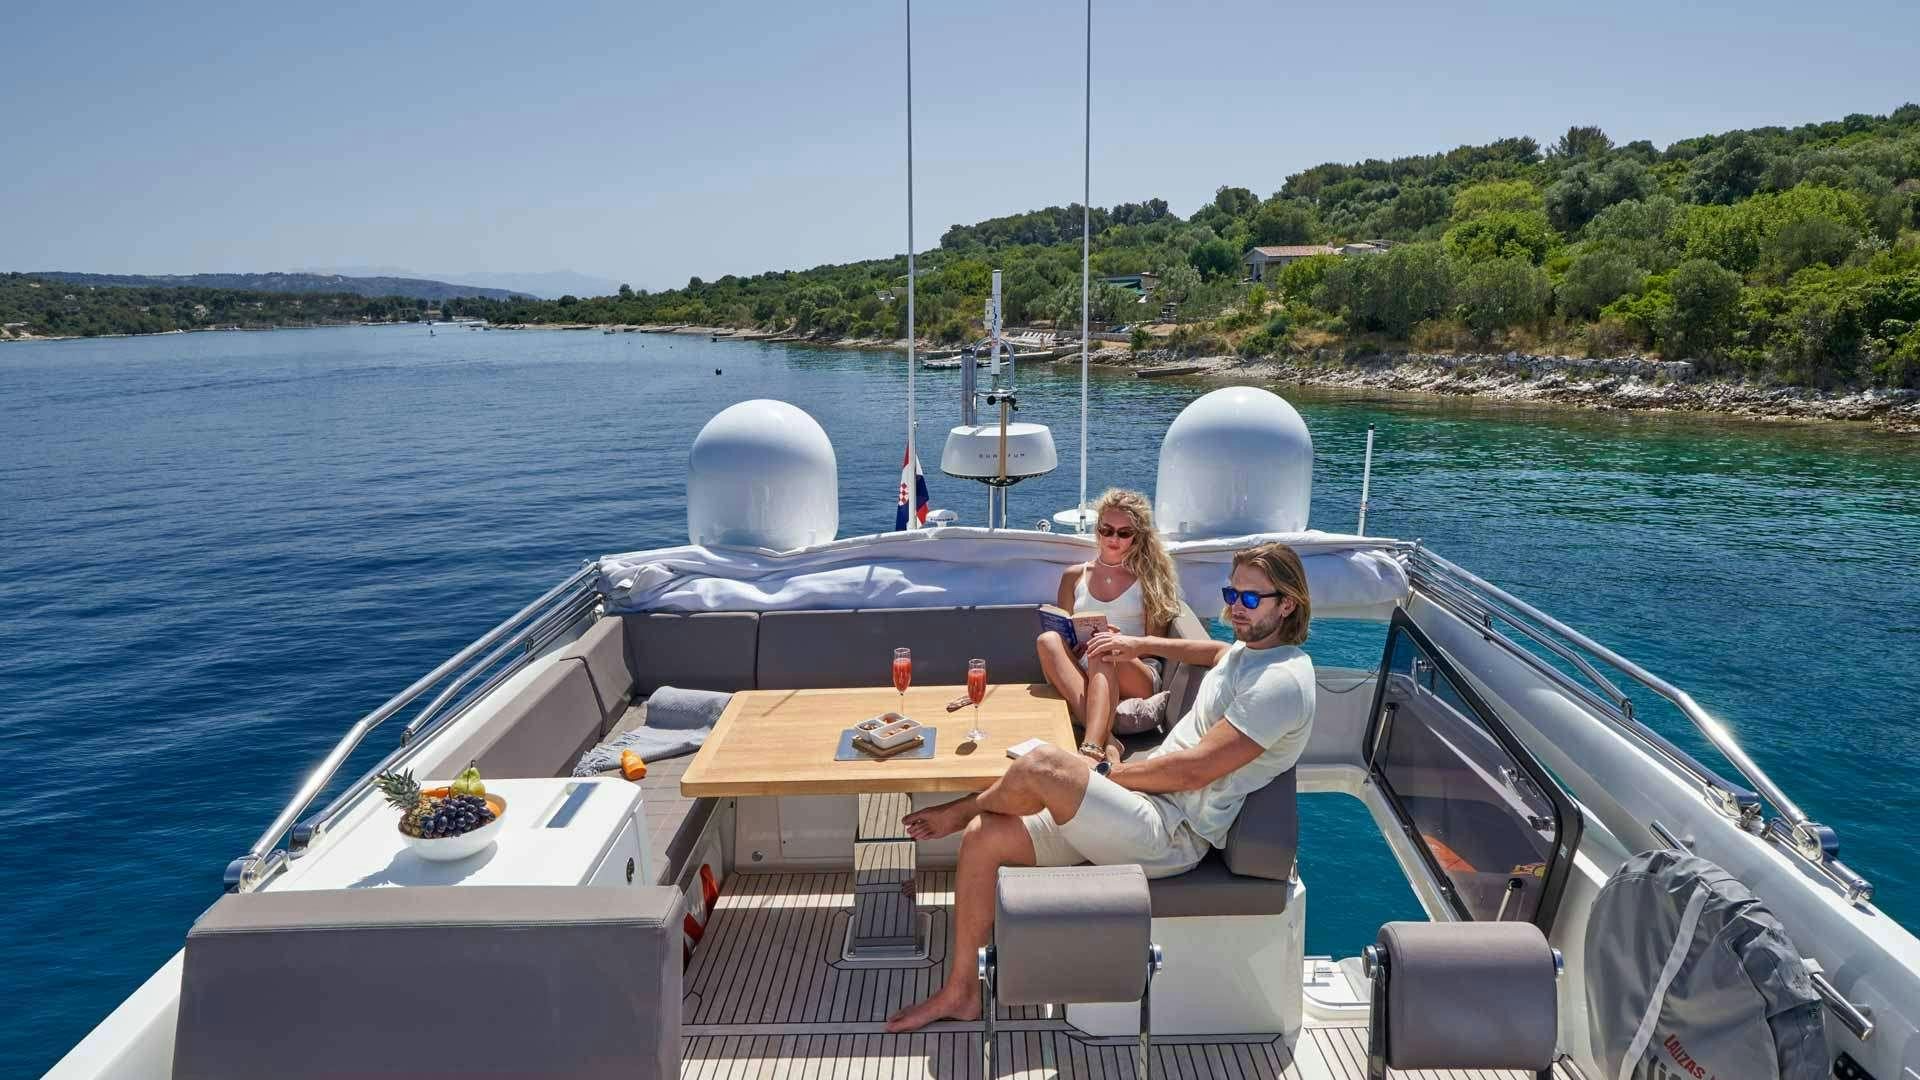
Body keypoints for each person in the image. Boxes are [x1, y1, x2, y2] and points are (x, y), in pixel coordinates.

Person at [887, 541, 1316, 1033]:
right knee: (985, 837)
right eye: (1231, 592)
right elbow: (1217, 652)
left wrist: (1102, 775)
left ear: (1287, 604)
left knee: (1046, 765)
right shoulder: (1248, 654)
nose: (1235, 607)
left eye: (1250, 598)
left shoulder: (1282, 683)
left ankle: (961, 806)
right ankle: (961, 990)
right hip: (1139, 807)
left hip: (1171, 832)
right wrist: (1140, 645)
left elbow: (1193, 772)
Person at [1036, 489, 1183, 762]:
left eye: (1124, 533)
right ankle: (1109, 739)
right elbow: (1064, 630)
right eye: (1107, 530)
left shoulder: (1149, 579)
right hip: (1087, 663)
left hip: (1135, 670)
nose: (1113, 538)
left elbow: (1156, 648)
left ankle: (1091, 747)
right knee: (1047, 641)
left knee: (1104, 645)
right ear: (1098, 530)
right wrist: (1073, 640)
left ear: (1137, 537)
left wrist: (1123, 644)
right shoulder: (1073, 577)